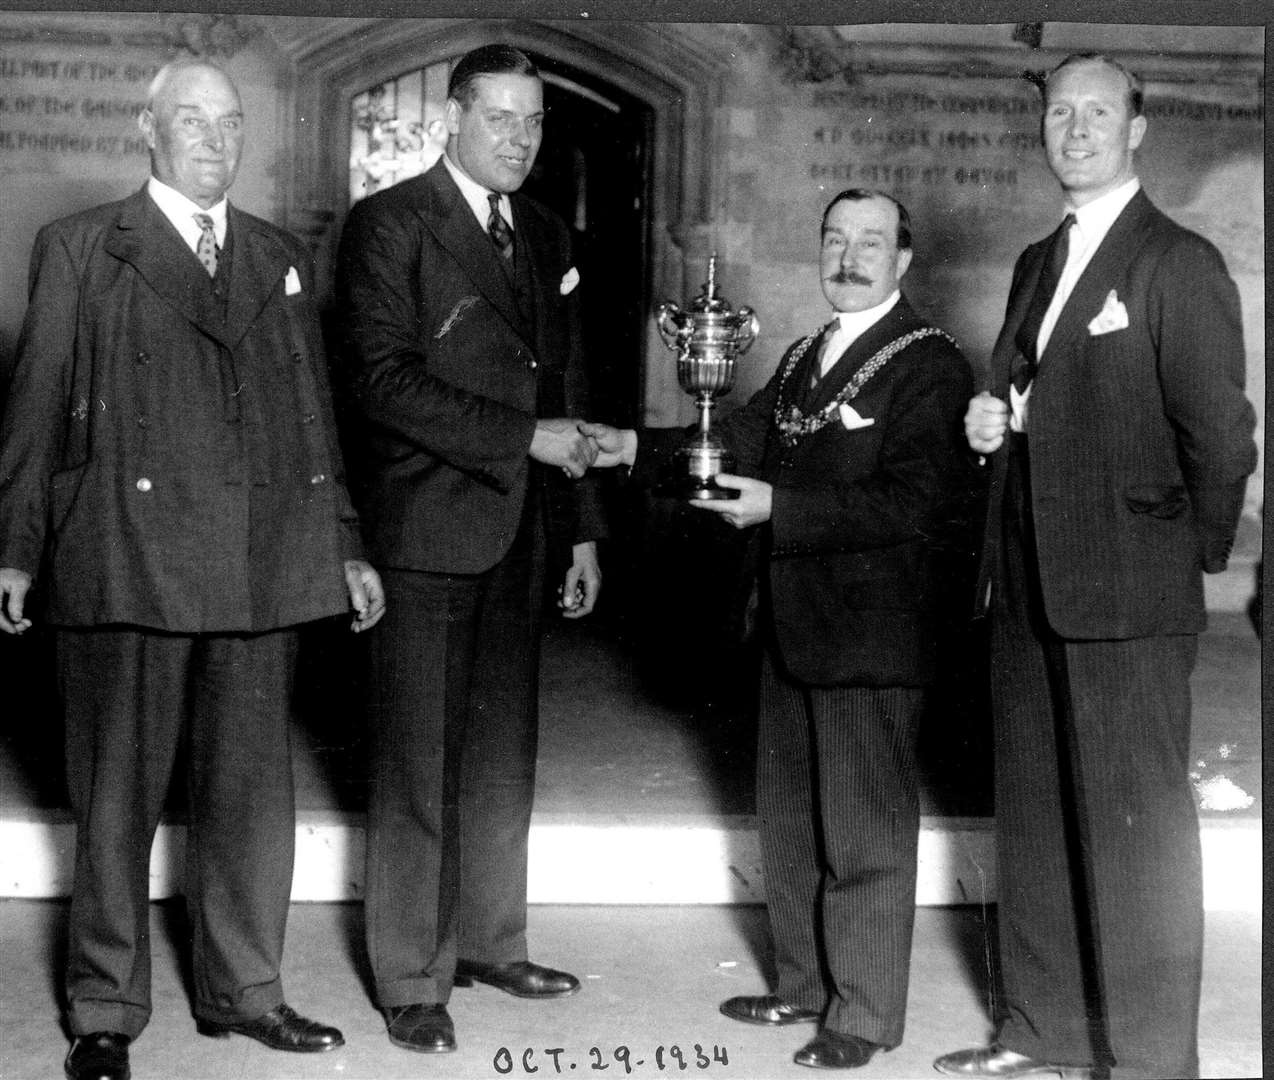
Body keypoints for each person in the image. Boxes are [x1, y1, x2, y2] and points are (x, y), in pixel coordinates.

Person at [0, 59, 385, 1080]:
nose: (215, 141)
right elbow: (37, 404)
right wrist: (17, 546)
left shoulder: (276, 254)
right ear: (149, 131)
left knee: (251, 796)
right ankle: (104, 1010)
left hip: (265, 561)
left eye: (229, 123)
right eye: (191, 122)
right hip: (124, 558)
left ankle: (245, 991)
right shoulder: (84, 247)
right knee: (116, 799)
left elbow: (313, 414)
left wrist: (343, 540)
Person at [585, 189, 973, 1070]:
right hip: (792, 626)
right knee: (794, 824)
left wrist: (778, 509)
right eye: (835, 238)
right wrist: (623, 450)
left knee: (865, 832)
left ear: (904, 260)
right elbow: (735, 438)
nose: (849, 256)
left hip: (871, 636)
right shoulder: (805, 354)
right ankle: (802, 983)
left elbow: (915, 504)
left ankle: (864, 1016)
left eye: (870, 242)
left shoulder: (932, 365)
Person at [933, 54, 1256, 1080]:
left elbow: (1221, 438)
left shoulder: (1175, 260)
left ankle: (1152, 1062)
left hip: (1126, 594)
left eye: (1096, 113)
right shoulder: (1039, 258)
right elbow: (1030, 395)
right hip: (1024, 579)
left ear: (1135, 130)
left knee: (1136, 844)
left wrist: (1179, 558)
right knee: (1031, 819)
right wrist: (990, 425)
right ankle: (1038, 1033)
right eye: (1058, 112)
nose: (1072, 129)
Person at [334, 44, 606, 1054]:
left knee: (501, 757)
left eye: (533, 124)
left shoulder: (542, 229)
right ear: (449, 120)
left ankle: (492, 941)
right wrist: (520, 440)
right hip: (424, 529)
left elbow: (561, 385)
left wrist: (580, 526)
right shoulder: (389, 223)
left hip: (527, 526)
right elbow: (379, 380)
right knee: (416, 763)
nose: (519, 141)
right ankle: (412, 974)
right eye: (499, 120)